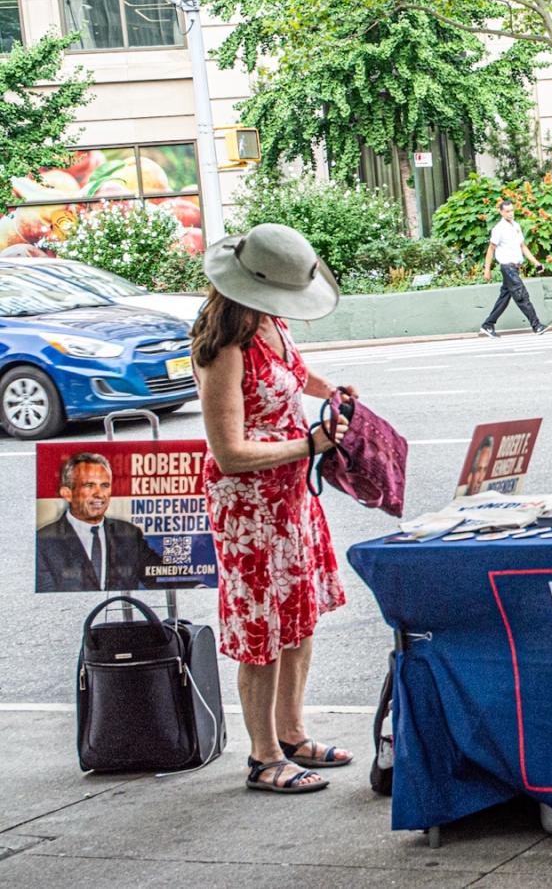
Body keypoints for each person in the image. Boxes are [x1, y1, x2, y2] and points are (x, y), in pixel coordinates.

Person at [193, 223, 356, 796]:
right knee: (262, 628)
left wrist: (331, 390)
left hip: (289, 498)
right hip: (249, 511)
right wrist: (309, 445)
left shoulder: (270, 324)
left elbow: (294, 371)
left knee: (299, 616)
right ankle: (263, 757)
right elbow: (230, 453)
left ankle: (291, 732)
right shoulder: (223, 348)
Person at [35, 452, 163, 593]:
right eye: (89, 485)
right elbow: (50, 598)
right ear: (67, 493)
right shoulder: (43, 541)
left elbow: (162, 576)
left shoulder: (129, 533)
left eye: (105, 485)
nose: (99, 493)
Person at [480, 199, 548, 339]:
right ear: (501, 212)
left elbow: (523, 246)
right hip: (507, 267)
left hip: (514, 268)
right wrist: (487, 269)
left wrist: (536, 263)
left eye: (512, 210)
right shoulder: (498, 229)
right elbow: (491, 249)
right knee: (521, 295)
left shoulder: (516, 226)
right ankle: (537, 326)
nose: (511, 213)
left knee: (504, 298)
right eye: (507, 211)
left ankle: (488, 325)